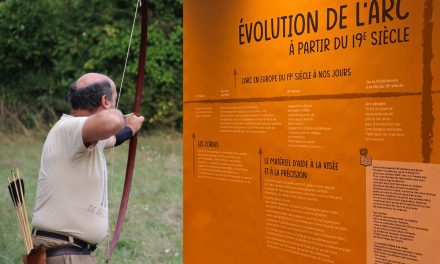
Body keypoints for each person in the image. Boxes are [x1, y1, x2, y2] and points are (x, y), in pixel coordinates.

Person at [30, 73, 145, 263]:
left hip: (70, 252)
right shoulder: (70, 128)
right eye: (113, 100)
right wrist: (118, 114)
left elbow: (114, 138)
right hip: (65, 254)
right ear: (105, 101)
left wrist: (131, 128)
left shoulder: (84, 136)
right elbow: (113, 122)